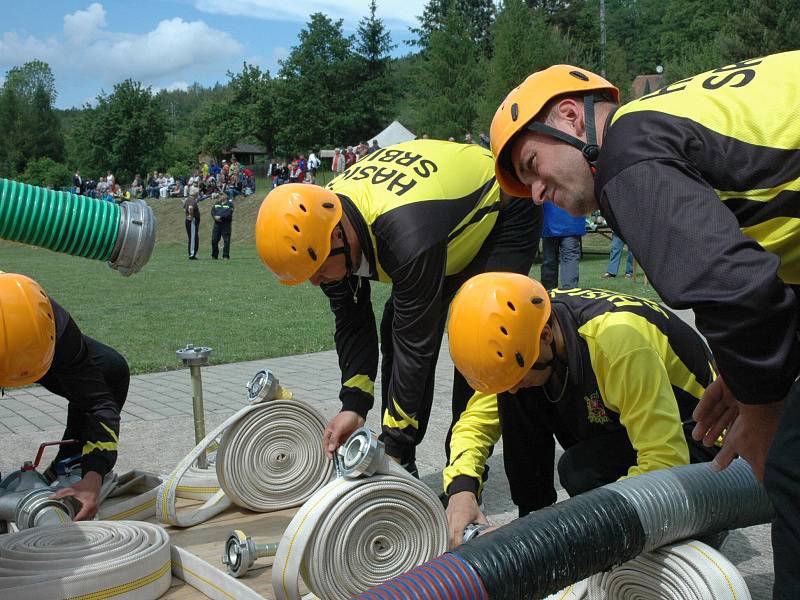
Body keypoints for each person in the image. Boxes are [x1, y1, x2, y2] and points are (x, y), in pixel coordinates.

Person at [489, 52, 800, 598]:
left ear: (568, 116)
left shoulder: (626, 152)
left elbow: (739, 291)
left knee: (790, 466)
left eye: (532, 164)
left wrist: (763, 415)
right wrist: (745, 369)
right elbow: (775, 273)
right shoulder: (665, 123)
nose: (535, 193)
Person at [256, 140, 542, 475]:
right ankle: (407, 463)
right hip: (435, 221)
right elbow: (352, 321)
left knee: (482, 338)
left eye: (317, 270)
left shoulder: (405, 236)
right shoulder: (326, 218)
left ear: (338, 237)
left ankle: (465, 472)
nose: (316, 282)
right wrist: (354, 404)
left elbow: (414, 346)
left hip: (504, 209)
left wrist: (391, 443)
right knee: (396, 323)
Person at [443, 273, 719, 548]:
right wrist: (462, 488)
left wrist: (559, 530)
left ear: (546, 336)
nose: (512, 387)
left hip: (702, 445)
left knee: (580, 473)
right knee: (515, 401)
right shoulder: (525, 331)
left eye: (517, 376)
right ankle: (531, 514)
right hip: (627, 425)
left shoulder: (619, 342)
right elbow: (476, 422)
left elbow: (665, 459)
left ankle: (702, 526)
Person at [0, 273, 129, 521]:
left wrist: (94, 475)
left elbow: (98, 402)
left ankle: (74, 465)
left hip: (47, 350)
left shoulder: (50, 321)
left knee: (111, 370)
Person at [540, 201, 585, 289]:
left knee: (549, 260)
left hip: (550, 220)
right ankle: (569, 291)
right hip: (571, 221)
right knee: (569, 257)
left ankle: (548, 292)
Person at [211, 194, 234, 260]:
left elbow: (229, 213)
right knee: (214, 240)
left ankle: (225, 255)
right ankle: (214, 255)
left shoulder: (230, 204)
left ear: (226, 196)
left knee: (226, 240)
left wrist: (221, 217)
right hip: (217, 224)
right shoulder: (217, 203)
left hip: (225, 224)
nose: (220, 196)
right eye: (220, 195)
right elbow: (212, 211)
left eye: (222, 195)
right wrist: (215, 217)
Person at [184, 191, 200, 260]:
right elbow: (190, 208)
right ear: (196, 195)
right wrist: (191, 215)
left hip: (189, 221)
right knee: (193, 238)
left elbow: (184, 209)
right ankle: (192, 254)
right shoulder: (192, 201)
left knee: (192, 237)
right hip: (192, 221)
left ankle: (192, 253)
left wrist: (187, 215)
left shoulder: (187, 200)